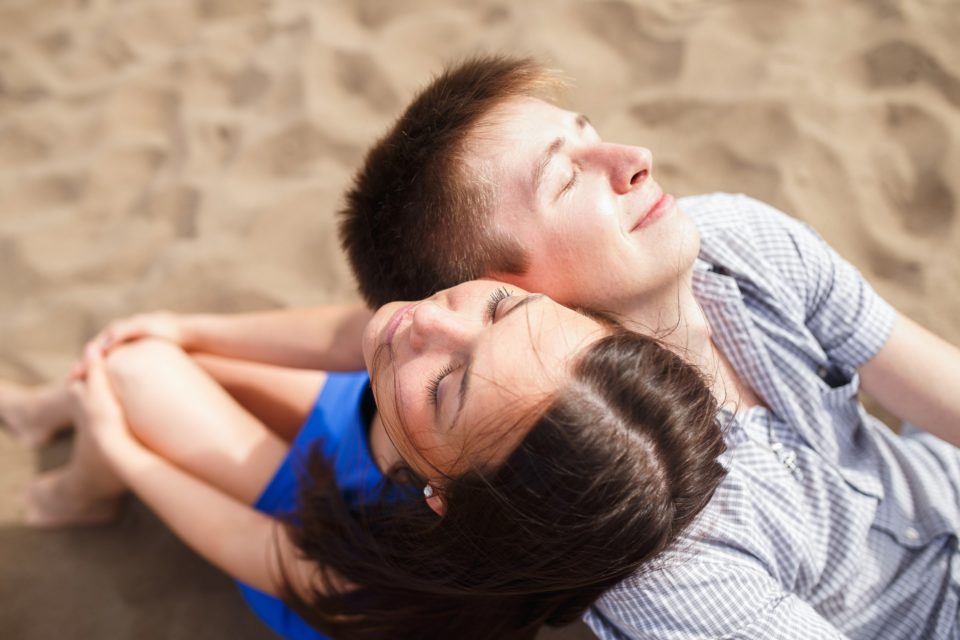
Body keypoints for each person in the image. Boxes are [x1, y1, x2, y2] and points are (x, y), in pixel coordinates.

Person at [331, 56, 960, 638]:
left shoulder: (732, 245)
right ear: (505, 292)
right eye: (567, 179)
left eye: (590, 132)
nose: (636, 157)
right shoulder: (667, 556)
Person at [0, 280, 726, 640]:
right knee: (167, 355)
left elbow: (249, 542)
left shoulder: (392, 584)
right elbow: (355, 332)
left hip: (322, 525)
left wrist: (125, 452)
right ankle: (45, 412)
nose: (429, 319)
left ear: (447, 495)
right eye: (502, 308)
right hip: (364, 439)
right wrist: (187, 326)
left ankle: (84, 493)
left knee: (133, 376)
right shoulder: (516, 385)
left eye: (450, 386)